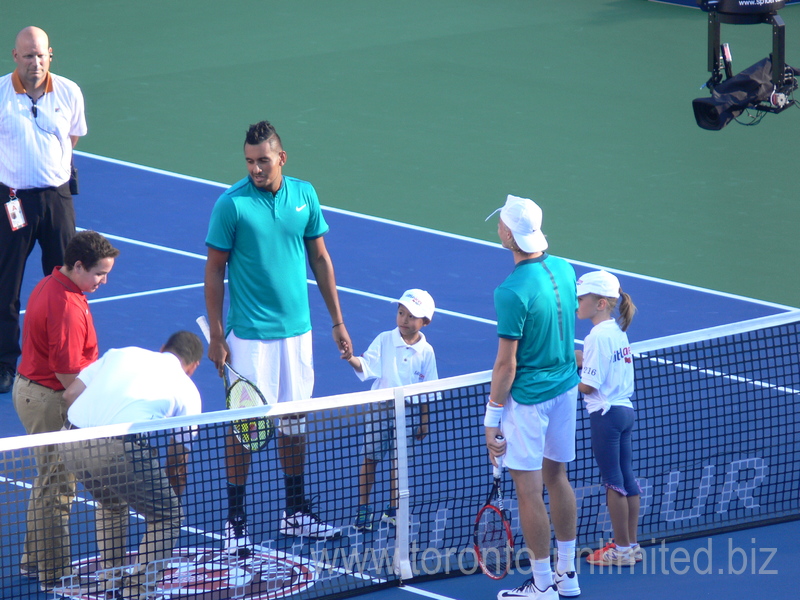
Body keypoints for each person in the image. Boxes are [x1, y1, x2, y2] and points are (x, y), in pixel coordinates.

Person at [204, 120, 352, 553]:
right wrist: (216, 332)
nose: (255, 169)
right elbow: (214, 270)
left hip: (298, 335)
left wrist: (337, 321)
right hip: (250, 338)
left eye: (263, 161)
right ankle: (234, 520)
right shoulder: (231, 205)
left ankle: (295, 511)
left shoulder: (305, 195)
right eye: (249, 162)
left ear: (281, 158)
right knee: (245, 429)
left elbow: (320, 260)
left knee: (294, 423)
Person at [483, 195, 581, 600]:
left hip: (530, 400)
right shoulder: (565, 269)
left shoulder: (511, 291)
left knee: (529, 490)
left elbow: (507, 365)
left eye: (501, 223)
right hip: (566, 390)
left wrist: (492, 417)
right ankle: (567, 575)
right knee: (558, 478)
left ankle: (542, 585)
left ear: (508, 235)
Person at [60, 332, 204, 599]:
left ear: (162, 348)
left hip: (69, 438)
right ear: (193, 366)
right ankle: (137, 591)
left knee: (111, 504)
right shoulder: (187, 389)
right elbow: (177, 460)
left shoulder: (119, 353)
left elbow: (70, 395)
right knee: (168, 517)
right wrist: (170, 496)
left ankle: (110, 580)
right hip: (118, 450)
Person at [12, 230, 118, 591]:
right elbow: (70, 379)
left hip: (32, 392)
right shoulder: (69, 308)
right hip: (53, 401)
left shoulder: (52, 283)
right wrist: (98, 408)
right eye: (100, 273)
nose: (104, 280)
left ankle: (32, 561)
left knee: (46, 482)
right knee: (58, 490)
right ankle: (54, 573)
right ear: (77, 265)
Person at [0, 26, 88, 394]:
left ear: (50, 54)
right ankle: (6, 363)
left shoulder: (69, 92)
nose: (34, 62)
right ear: (15, 57)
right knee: (7, 284)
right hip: (14, 202)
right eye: (27, 55)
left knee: (67, 282)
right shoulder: (1, 93)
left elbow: (72, 136)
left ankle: (67, 362)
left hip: (57, 199)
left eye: (40, 55)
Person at [346, 289, 438, 531]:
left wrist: (424, 420)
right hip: (380, 408)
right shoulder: (384, 339)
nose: (404, 320)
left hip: (407, 412)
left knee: (400, 464)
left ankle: (393, 509)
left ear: (425, 322)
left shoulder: (427, 353)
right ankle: (364, 508)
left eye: (411, 316)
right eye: (400, 313)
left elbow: (427, 390)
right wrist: (349, 357)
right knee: (371, 458)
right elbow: (365, 366)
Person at [573, 270, 642, 567]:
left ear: (601, 303)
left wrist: (560, 382)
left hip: (605, 415)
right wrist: (568, 356)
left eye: (582, 298)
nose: (577, 304)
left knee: (613, 482)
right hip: (625, 412)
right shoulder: (616, 330)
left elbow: (588, 385)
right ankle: (631, 545)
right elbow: (592, 360)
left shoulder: (596, 336)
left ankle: (621, 550)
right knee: (627, 477)